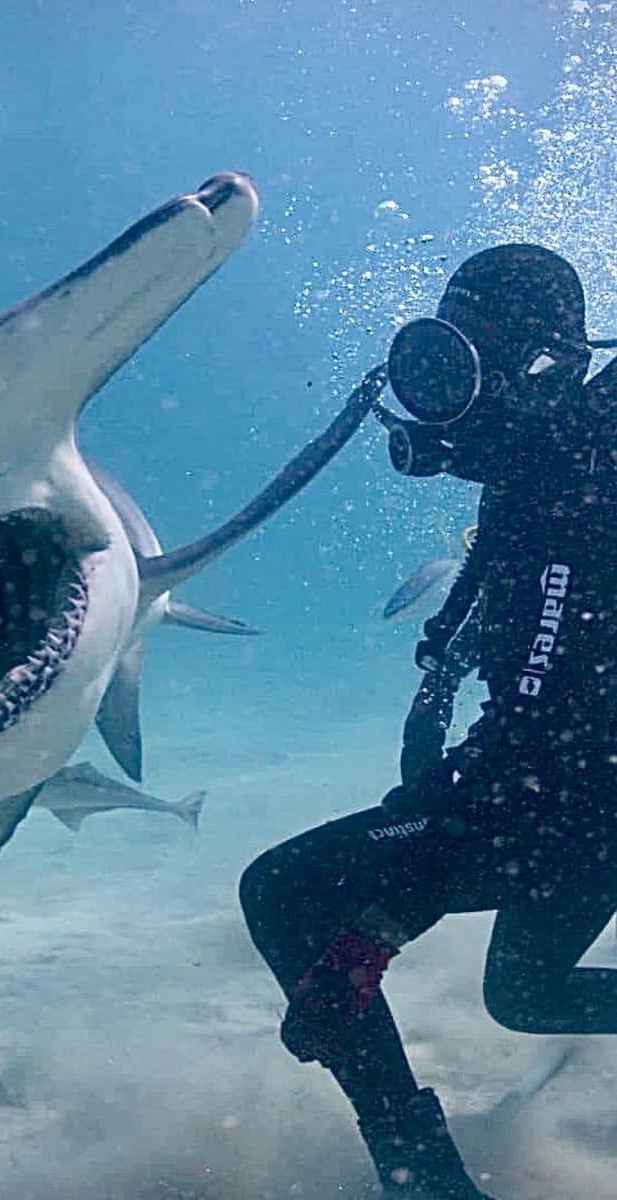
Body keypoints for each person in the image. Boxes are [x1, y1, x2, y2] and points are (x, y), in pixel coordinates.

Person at [239, 244, 617, 1199]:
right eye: (429, 371)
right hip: (580, 803)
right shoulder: (534, 482)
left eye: (456, 375)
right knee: (524, 993)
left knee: (284, 891)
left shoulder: (587, 473)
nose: (437, 412)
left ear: (543, 370)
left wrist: (380, 922)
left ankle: (425, 1184)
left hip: (582, 797)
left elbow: (541, 741)